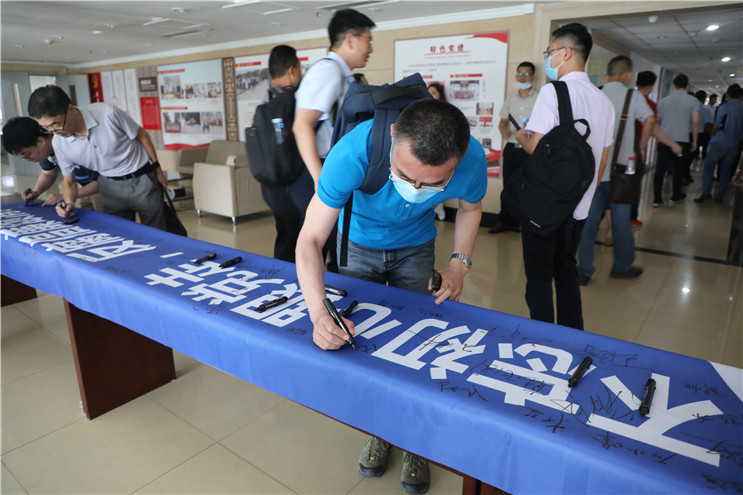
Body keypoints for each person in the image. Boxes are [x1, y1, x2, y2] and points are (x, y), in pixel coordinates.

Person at [295, 98, 486, 495]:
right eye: (404, 175)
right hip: (358, 243)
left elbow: (471, 208)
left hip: (417, 246)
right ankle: (379, 429)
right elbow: (310, 239)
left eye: (432, 184)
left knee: (417, 340)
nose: (415, 191)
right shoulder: (354, 151)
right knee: (360, 338)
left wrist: (459, 264)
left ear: (458, 158)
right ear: (394, 136)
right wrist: (318, 313)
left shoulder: (471, 160)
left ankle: (414, 440)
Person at [514, 22, 615, 330]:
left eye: (550, 52)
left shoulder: (553, 92)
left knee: (539, 278)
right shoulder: (605, 102)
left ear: (566, 52)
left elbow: (537, 148)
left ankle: (543, 338)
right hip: (579, 208)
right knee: (567, 273)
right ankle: (572, 337)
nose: (548, 59)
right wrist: (583, 201)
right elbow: (601, 162)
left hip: (546, 205)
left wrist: (520, 137)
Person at [292, 8, 376, 271]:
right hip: (320, 170)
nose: (371, 48)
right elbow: (301, 125)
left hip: (331, 168)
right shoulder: (328, 71)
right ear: (350, 39)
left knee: (334, 249)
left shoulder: (340, 74)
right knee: (322, 244)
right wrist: (320, 180)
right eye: (368, 40)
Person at [27, 85, 168, 229]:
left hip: (141, 177)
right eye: (45, 128)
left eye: (56, 123)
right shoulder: (59, 142)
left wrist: (157, 169)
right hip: (108, 185)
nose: (54, 131)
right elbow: (69, 181)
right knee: (120, 231)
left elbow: (142, 135)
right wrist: (68, 203)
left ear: (70, 109)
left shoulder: (107, 114)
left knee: (156, 229)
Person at [576, 56, 654, 285]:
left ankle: (584, 270)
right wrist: (640, 148)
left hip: (595, 172)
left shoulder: (593, 94)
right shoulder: (633, 96)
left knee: (588, 222)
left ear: (607, 75)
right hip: (622, 173)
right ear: (628, 76)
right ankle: (621, 267)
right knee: (620, 222)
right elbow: (650, 120)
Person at [258, 44, 304, 262]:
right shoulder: (293, 101)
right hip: (292, 183)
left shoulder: (265, 100)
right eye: (300, 69)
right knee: (299, 239)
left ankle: (281, 274)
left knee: (284, 234)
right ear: (291, 70)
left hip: (270, 183)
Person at [2, 116, 101, 210]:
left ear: (40, 141)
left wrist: (66, 196)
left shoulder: (71, 146)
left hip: (103, 190)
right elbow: (48, 173)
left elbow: (102, 181)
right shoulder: (46, 151)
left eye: (28, 155)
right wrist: (36, 191)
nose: (28, 160)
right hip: (83, 188)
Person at [490, 61, 539, 234]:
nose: (522, 77)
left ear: (533, 76)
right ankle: (503, 220)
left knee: (528, 185)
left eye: (526, 74)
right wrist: (503, 130)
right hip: (512, 147)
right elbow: (503, 122)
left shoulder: (539, 98)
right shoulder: (511, 98)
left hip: (529, 148)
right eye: (519, 73)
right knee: (508, 185)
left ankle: (524, 223)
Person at [652, 74, 700, 207]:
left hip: (664, 140)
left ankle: (657, 199)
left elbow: (658, 120)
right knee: (679, 169)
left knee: (660, 170)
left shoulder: (663, 101)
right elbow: (696, 121)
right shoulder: (693, 101)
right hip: (682, 140)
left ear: (673, 85)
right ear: (687, 85)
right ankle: (676, 195)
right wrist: (695, 140)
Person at [695, 84, 743, 203]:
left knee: (708, 168)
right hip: (734, 144)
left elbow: (717, 124)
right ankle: (720, 196)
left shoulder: (724, 107)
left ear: (728, 95)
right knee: (725, 171)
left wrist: (712, 135)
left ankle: (706, 193)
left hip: (720, 141)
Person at [427, 81, 449, 221]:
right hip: (426, 151)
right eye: (429, 93)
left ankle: (439, 208)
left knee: (438, 182)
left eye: (434, 93)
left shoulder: (446, 111)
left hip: (441, 151)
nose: (431, 96)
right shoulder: (422, 110)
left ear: (440, 94)